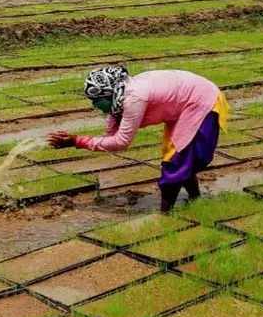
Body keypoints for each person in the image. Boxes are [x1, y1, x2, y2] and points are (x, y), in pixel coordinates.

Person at [47, 67, 229, 213]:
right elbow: (111, 136)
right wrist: (78, 141)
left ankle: (165, 216)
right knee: (176, 155)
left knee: (176, 161)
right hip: (184, 105)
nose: (95, 106)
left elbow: (122, 141)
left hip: (200, 101)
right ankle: (195, 199)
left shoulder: (133, 98)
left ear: (109, 93)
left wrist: (78, 141)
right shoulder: (118, 101)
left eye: (97, 100)